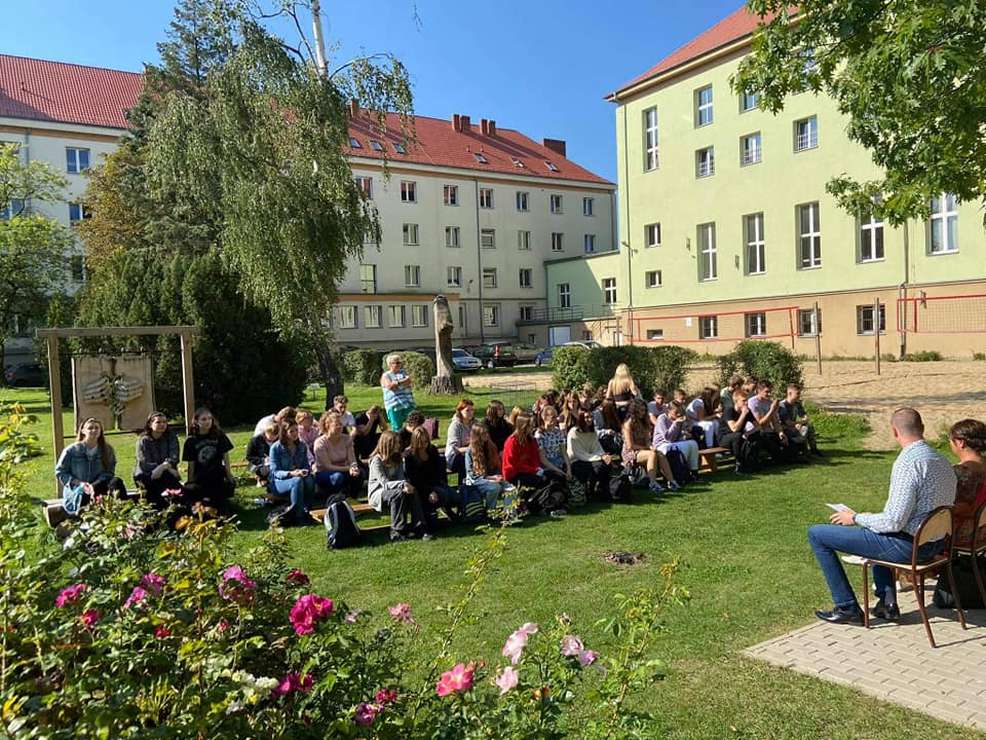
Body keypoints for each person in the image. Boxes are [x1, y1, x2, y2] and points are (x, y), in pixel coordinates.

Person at [808, 408, 957, 624]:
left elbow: (893, 521)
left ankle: (846, 606)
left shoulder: (908, 463)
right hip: (936, 543)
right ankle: (887, 604)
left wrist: (856, 518)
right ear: (923, 429)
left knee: (817, 534)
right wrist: (868, 518)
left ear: (894, 431)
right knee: (875, 528)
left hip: (910, 546)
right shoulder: (942, 460)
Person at [56, 417, 128, 516]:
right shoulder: (71, 450)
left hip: (99, 484)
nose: (93, 430)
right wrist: (81, 484)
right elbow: (61, 472)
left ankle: (123, 515)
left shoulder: (107, 450)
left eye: (96, 428)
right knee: (84, 494)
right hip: (77, 487)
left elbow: (109, 472)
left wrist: (94, 485)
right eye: (90, 428)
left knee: (116, 482)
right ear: (83, 431)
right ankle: (83, 519)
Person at [368, 430, 429, 541]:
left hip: (397, 490)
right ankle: (398, 531)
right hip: (378, 493)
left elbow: (401, 478)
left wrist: (406, 485)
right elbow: (385, 483)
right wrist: (402, 484)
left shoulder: (398, 459)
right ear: (388, 444)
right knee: (398, 493)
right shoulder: (376, 461)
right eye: (396, 443)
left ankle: (420, 526)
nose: (398, 445)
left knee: (412, 491)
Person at [502, 413, 567, 517]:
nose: (532, 427)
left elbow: (535, 458)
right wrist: (535, 471)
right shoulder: (512, 441)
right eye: (530, 425)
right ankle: (539, 505)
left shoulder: (531, 440)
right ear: (523, 426)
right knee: (542, 480)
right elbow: (514, 465)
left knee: (556, 477)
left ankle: (553, 503)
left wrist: (537, 469)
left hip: (531, 470)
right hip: (515, 474)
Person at [182, 408, 236, 511]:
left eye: (210, 419)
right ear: (196, 421)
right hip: (200, 476)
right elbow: (191, 463)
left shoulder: (219, 435)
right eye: (204, 419)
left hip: (217, 473)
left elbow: (226, 457)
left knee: (222, 500)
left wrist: (229, 475)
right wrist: (190, 481)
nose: (208, 422)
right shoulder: (191, 441)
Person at [404, 427, 455, 533]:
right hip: (419, 487)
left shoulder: (432, 450)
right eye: (420, 442)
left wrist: (434, 489)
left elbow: (437, 473)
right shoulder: (410, 456)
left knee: (455, 497)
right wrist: (430, 491)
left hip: (434, 483)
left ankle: (436, 515)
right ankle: (427, 521)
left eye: (426, 441)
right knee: (441, 495)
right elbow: (414, 479)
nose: (423, 445)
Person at [621, 399, 678, 494]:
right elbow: (630, 446)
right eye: (640, 410)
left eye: (644, 410)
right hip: (630, 453)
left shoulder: (644, 422)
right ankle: (653, 483)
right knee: (652, 454)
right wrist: (647, 448)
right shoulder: (628, 424)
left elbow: (647, 440)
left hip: (644, 449)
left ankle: (671, 481)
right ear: (635, 410)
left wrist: (650, 446)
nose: (643, 413)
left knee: (659, 454)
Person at [948, 419, 986, 551]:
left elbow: (962, 508)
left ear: (960, 442)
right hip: (983, 528)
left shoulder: (960, 472)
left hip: (965, 533)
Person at [268, 419, 316, 524]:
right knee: (297, 481)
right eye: (291, 431)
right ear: (284, 433)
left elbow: (305, 465)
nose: (295, 434)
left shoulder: (301, 446)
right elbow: (275, 472)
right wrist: (291, 473)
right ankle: (297, 515)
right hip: (279, 482)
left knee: (309, 479)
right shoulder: (276, 448)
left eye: (296, 430)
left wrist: (305, 471)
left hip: (298, 476)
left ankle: (307, 509)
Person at [133, 412, 182, 508]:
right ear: (150, 424)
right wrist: (162, 467)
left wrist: (163, 467)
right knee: (155, 498)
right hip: (146, 475)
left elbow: (174, 457)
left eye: (164, 422)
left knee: (180, 493)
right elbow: (145, 463)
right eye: (158, 422)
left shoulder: (171, 438)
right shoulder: (143, 441)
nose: (162, 425)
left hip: (166, 473)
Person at [567, 411, 617, 500]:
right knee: (596, 467)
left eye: (591, 417)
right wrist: (599, 457)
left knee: (605, 465)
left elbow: (596, 448)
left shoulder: (592, 432)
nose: (589, 419)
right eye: (586, 417)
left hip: (590, 458)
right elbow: (578, 453)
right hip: (576, 461)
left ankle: (601, 490)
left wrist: (604, 456)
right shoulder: (574, 432)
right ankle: (589, 491)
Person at [312, 411, 361, 499]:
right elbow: (328, 466)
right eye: (336, 425)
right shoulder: (320, 443)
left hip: (344, 469)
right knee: (337, 477)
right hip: (324, 472)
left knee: (360, 474)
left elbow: (352, 459)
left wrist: (354, 467)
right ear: (327, 426)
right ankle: (333, 498)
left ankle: (352, 498)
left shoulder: (346, 439)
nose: (340, 427)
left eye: (341, 424)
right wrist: (348, 468)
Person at [717, 390, 762, 474]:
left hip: (740, 436)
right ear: (736, 402)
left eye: (747, 400)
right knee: (737, 435)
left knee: (756, 435)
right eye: (743, 401)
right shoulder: (729, 411)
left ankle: (752, 462)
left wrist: (748, 433)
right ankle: (739, 463)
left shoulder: (747, 411)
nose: (746, 403)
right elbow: (734, 429)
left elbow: (758, 426)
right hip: (724, 438)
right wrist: (743, 414)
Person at [464, 423, 507, 509]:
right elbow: (472, 475)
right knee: (495, 488)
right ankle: (491, 511)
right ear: (477, 436)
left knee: (510, 488)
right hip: (475, 482)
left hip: (490, 478)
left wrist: (498, 476)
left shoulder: (491, 447)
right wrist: (492, 478)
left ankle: (510, 514)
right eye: (483, 434)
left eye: (487, 433)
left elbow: (495, 466)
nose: (486, 435)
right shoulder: (470, 451)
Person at [653, 402, 700, 477]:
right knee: (679, 447)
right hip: (662, 445)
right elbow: (668, 438)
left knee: (693, 443)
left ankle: (694, 472)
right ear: (669, 411)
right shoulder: (662, 418)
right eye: (676, 412)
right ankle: (680, 472)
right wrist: (675, 423)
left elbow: (679, 435)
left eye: (680, 412)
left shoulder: (679, 418)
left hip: (675, 442)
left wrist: (686, 434)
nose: (678, 414)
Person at [747, 381, 787, 462]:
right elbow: (760, 424)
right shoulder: (753, 402)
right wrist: (772, 410)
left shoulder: (769, 402)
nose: (769, 394)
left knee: (787, 439)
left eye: (770, 392)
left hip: (768, 431)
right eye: (767, 392)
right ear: (759, 390)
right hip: (756, 431)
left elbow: (775, 421)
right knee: (771, 443)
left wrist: (780, 432)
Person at [778, 384, 820, 456]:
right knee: (806, 429)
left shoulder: (797, 404)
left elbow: (805, 416)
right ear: (790, 393)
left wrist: (801, 423)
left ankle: (813, 449)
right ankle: (803, 450)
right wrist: (800, 423)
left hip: (793, 427)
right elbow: (788, 423)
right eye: (797, 393)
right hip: (784, 429)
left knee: (808, 427)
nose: (799, 395)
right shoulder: (782, 405)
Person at [380, 353, 416, 430]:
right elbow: (390, 386)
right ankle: (397, 441)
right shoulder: (386, 375)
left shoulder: (403, 372)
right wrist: (401, 382)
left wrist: (397, 383)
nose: (398, 364)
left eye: (399, 362)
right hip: (394, 404)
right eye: (395, 363)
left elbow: (409, 381)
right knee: (397, 427)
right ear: (389, 365)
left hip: (408, 402)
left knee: (413, 424)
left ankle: (411, 441)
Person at [535, 405, 571, 478]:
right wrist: (558, 470)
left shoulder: (558, 432)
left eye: (556, 416)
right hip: (548, 465)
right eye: (553, 417)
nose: (556, 419)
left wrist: (569, 468)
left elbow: (563, 452)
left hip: (559, 461)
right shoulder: (539, 435)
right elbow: (543, 459)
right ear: (544, 418)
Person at [444, 399, 475, 483]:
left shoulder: (474, 424)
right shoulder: (455, 426)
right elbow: (455, 448)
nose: (470, 413)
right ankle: (464, 486)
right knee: (464, 460)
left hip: (471, 453)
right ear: (460, 411)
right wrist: (470, 448)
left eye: (472, 410)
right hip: (454, 457)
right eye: (467, 410)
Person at [246, 422, 279, 487]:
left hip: (274, 462)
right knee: (264, 469)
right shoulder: (255, 440)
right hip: (258, 464)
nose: (273, 437)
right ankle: (261, 479)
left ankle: (272, 479)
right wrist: (263, 460)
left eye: (275, 435)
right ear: (266, 432)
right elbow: (249, 456)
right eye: (271, 435)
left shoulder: (279, 440)